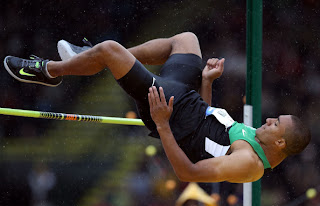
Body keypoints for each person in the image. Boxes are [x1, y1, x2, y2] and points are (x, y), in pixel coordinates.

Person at [3, 32, 311, 183]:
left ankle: (49, 70)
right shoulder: (254, 140)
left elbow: (188, 172)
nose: (269, 119)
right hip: (188, 99)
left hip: (168, 108)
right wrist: (207, 82)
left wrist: (162, 124)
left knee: (110, 49)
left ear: (281, 142)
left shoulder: (250, 163)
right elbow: (209, 134)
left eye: (275, 123)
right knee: (186, 39)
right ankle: (90, 57)